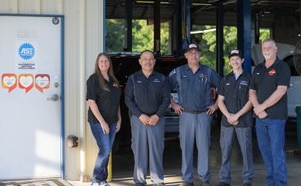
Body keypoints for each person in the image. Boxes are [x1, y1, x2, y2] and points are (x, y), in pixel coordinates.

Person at [167, 44, 221, 186]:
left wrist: (216, 105)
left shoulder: (208, 71)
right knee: (186, 147)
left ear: (200, 54)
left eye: (196, 53)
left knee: (204, 147)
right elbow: (164, 88)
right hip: (186, 115)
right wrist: (173, 104)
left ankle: (204, 178)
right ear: (186, 55)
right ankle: (187, 179)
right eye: (191, 53)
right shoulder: (178, 72)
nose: (194, 55)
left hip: (204, 114)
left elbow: (223, 87)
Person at [125, 50, 170, 186]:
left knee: (156, 150)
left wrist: (157, 115)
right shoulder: (133, 78)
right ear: (140, 61)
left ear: (154, 61)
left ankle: (157, 180)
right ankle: (139, 180)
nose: (148, 61)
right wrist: (140, 115)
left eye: (151, 59)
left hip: (157, 120)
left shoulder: (161, 78)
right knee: (139, 150)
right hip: (139, 120)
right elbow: (128, 99)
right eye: (145, 59)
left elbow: (166, 99)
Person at [249, 38, 291, 186]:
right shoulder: (258, 69)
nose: (266, 50)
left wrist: (262, 107)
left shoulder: (283, 67)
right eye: (264, 48)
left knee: (276, 151)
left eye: (269, 48)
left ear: (275, 49)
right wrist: (257, 108)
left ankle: (279, 182)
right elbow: (252, 90)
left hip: (276, 117)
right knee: (265, 151)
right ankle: (271, 180)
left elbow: (281, 91)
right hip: (260, 118)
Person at [216, 49, 254, 186]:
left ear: (242, 60)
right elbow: (220, 100)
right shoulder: (225, 79)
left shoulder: (249, 78)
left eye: (238, 59)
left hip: (243, 121)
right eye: (232, 59)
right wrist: (229, 116)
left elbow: (251, 100)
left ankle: (247, 179)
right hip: (227, 122)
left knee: (246, 151)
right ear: (229, 61)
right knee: (225, 151)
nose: (235, 61)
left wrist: (237, 115)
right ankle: (224, 179)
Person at [86, 53, 122, 186]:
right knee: (105, 150)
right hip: (98, 122)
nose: (104, 64)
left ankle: (102, 180)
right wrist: (102, 122)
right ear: (97, 63)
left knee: (107, 151)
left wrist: (119, 119)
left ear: (109, 63)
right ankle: (96, 180)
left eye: (106, 61)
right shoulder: (93, 80)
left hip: (113, 121)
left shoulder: (113, 80)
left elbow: (116, 101)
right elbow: (91, 102)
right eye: (101, 61)